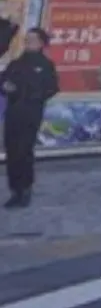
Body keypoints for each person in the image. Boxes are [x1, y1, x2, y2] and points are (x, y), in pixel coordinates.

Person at [1, 26, 57, 207]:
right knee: (11, 150)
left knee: (24, 151)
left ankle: (25, 188)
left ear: (41, 43)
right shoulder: (16, 63)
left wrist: (31, 94)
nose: (27, 43)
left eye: (32, 40)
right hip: (13, 113)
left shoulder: (46, 65)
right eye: (26, 39)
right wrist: (5, 88)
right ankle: (14, 189)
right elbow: (3, 80)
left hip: (31, 114)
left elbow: (51, 88)